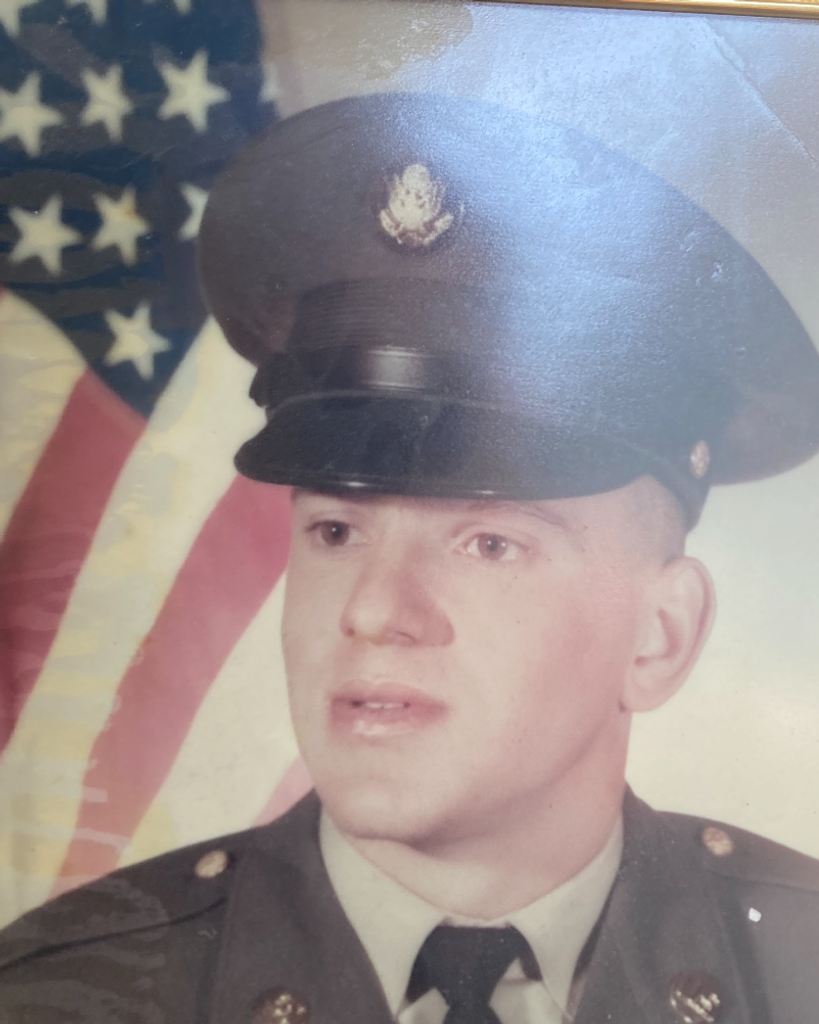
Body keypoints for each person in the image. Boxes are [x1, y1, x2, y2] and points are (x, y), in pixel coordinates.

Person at [1, 92, 819, 1024]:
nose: (372, 610)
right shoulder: (59, 998)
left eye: (489, 543)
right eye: (336, 532)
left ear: (658, 637)